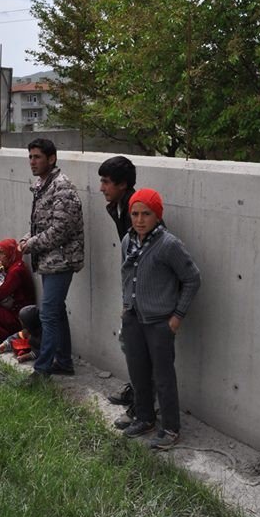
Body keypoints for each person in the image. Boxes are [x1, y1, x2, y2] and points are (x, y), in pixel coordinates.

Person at [120, 188, 201, 451]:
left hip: (159, 322)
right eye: (135, 213)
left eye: (146, 214)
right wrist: (125, 305)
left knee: (163, 376)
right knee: (138, 371)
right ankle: (145, 417)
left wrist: (177, 317)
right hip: (133, 318)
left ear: (157, 215)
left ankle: (170, 427)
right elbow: (126, 274)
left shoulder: (168, 245)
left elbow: (192, 279)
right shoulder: (127, 242)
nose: (140, 220)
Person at [19, 139, 84, 381]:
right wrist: (26, 239)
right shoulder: (42, 185)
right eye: (30, 157)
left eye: (37, 157)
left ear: (52, 158)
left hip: (62, 260)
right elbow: (41, 225)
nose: (32, 162)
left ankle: (42, 369)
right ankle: (64, 362)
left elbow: (60, 230)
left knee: (48, 314)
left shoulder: (62, 186)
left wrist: (31, 244)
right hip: (49, 259)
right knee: (56, 311)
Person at [98, 156, 138, 420]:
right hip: (132, 287)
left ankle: (143, 403)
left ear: (123, 184)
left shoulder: (137, 210)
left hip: (142, 292)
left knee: (138, 345)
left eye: (106, 182)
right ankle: (137, 391)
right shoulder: (118, 207)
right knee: (130, 343)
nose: (102, 188)